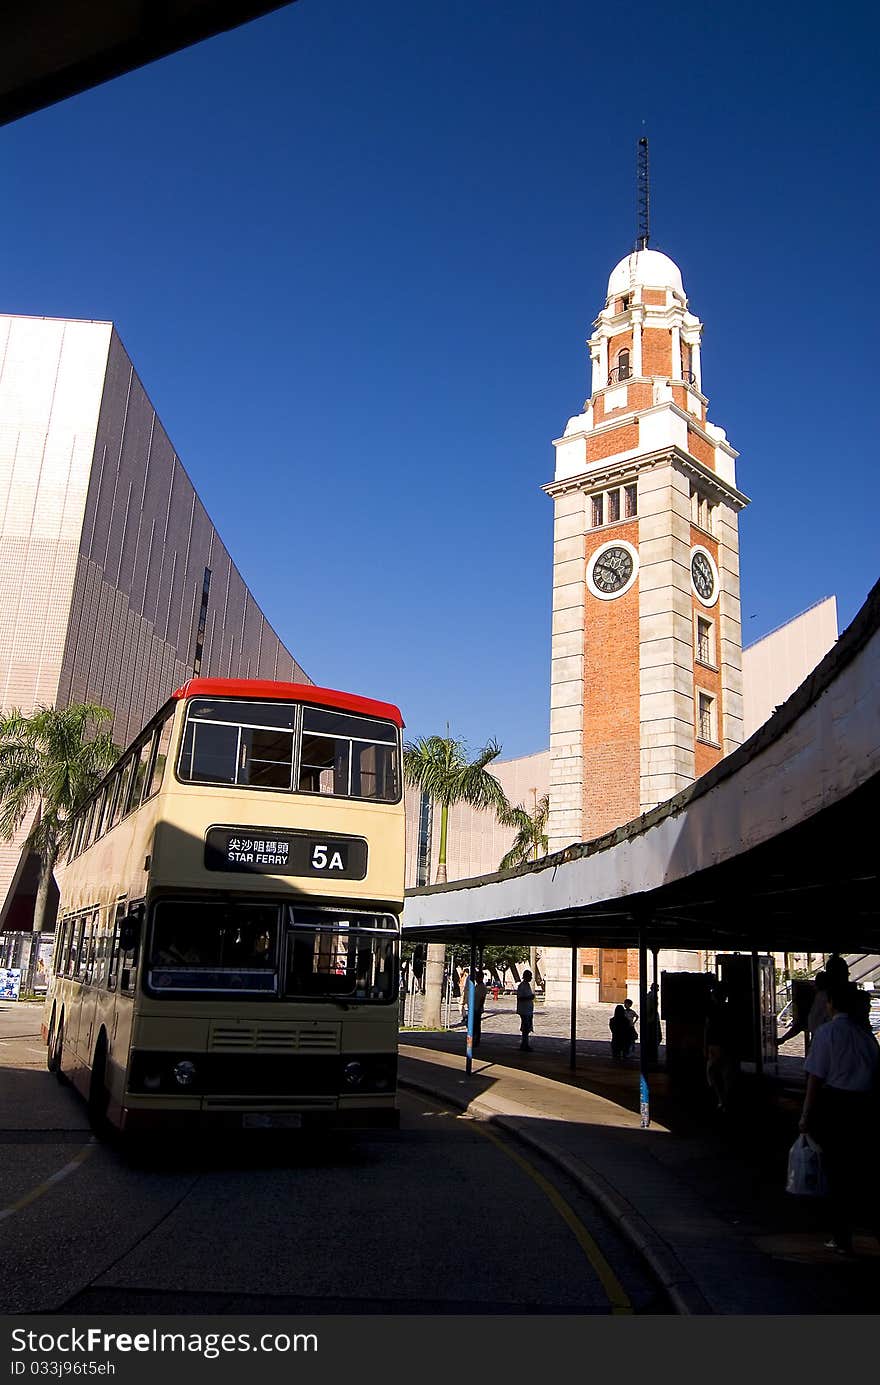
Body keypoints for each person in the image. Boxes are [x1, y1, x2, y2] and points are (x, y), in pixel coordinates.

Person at [800, 980, 880, 1255]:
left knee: (837, 1173)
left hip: (837, 1105)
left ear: (830, 1004)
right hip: (865, 1106)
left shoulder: (826, 1033)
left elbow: (815, 1078)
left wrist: (806, 1116)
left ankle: (842, 1236)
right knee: (865, 1172)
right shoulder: (866, 1036)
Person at [704, 981, 739, 1113]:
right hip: (727, 1044)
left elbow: (707, 1028)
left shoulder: (712, 1010)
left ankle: (721, 1098)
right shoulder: (730, 1009)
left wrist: (705, 1045)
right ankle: (725, 1099)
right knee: (726, 1073)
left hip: (715, 1044)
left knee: (712, 1071)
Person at [516, 970, 536, 1051]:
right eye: (530, 976)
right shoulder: (522, 986)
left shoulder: (527, 985)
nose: (531, 978)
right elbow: (520, 997)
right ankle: (524, 1044)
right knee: (525, 1028)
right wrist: (529, 997)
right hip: (524, 1010)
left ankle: (525, 1043)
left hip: (528, 1010)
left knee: (527, 1028)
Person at [471, 970, 487, 1047]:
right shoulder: (477, 986)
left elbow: (482, 999)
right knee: (474, 1025)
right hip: (474, 1007)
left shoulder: (482, 987)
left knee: (476, 1025)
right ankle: (474, 1039)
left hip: (477, 1008)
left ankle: (476, 1040)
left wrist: (479, 1008)